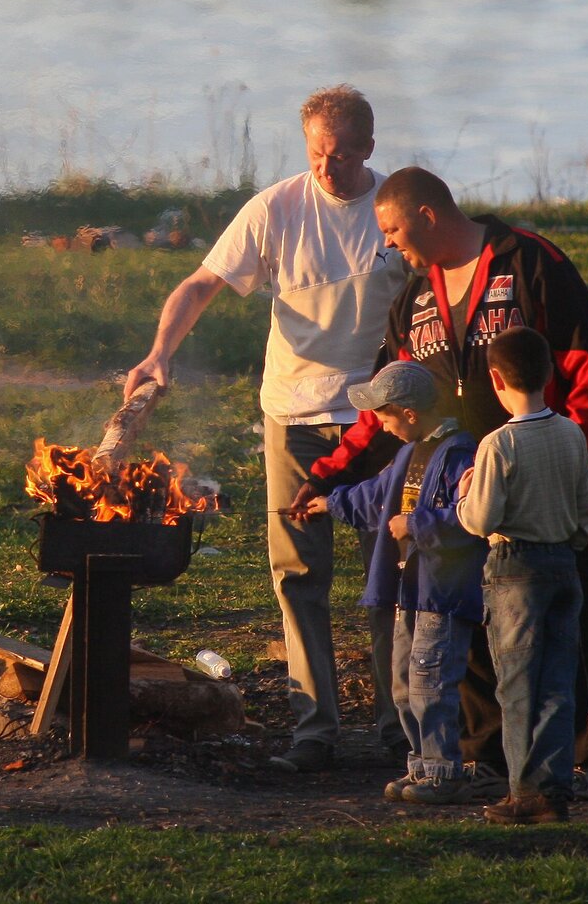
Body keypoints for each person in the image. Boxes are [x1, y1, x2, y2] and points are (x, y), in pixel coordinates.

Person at [124, 84, 409, 772]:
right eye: (316, 152)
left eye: (340, 156)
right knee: (298, 577)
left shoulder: (395, 211)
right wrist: (160, 352)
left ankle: (403, 728)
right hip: (295, 417)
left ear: (369, 149)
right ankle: (315, 732)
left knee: (393, 574)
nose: (326, 168)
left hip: (382, 424)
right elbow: (200, 284)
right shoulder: (276, 208)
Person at [294, 166, 588, 784]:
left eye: (392, 228)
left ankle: (579, 762)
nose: (387, 243)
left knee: (562, 624)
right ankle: (486, 760)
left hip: (542, 495)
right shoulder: (416, 299)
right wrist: (328, 476)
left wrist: (574, 460)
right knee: (476, 626)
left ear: (427, 214)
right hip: (463, 504)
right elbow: (387, 403)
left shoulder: (530, 262)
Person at [295, 361, 485, 804]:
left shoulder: (460, 454)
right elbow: (375, 494)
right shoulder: (406, 452)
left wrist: (415, 525)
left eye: (384, 416)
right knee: (402, 680)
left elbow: (469, 516)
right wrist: (329, 502)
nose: (380, 425)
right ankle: (420, 766)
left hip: (440, 590)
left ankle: (443, 771)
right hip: (408, 590)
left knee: (431, 681)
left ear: (410, 413)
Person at [456, 327, 588, 824]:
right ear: (550, 373)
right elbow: (584, 507)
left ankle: (522, 795)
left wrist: (464, 492)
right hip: (563, 564)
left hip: (515, 568)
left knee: (516, 684)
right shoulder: (572, 432)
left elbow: (481, 519)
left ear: (496, 378)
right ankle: (554, 791)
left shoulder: (499, 443)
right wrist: (570, 540)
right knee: (558, 683)